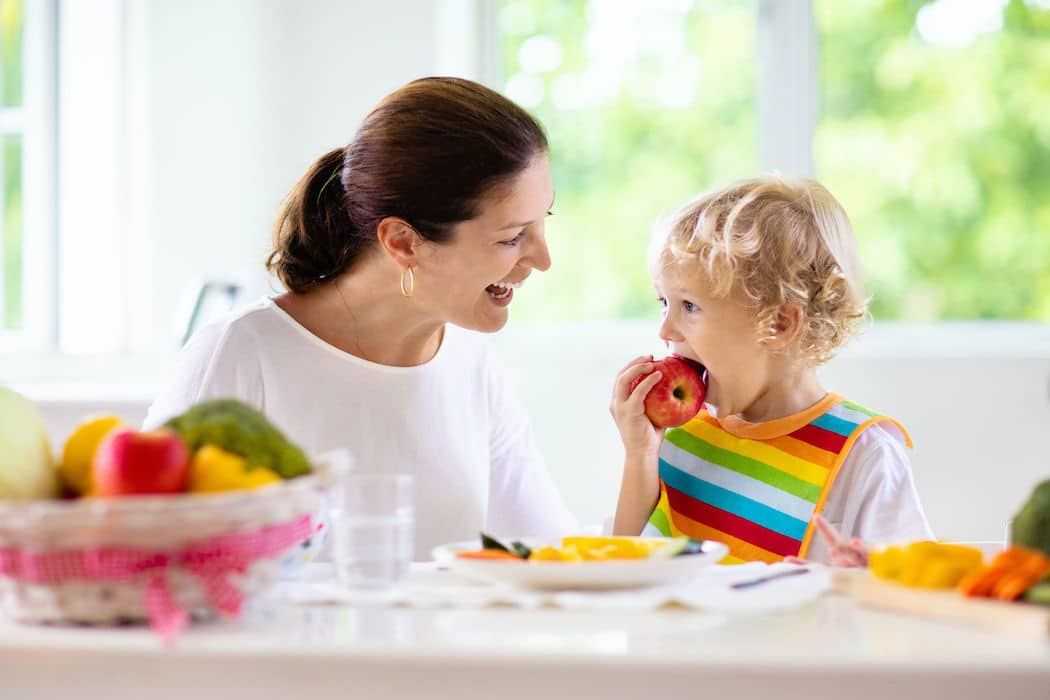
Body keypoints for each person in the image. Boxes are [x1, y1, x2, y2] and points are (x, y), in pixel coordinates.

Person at [144, 77, 577, 558]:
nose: (543, 260)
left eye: (544, 223)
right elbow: (147, 556)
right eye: (512, 237)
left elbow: (549, 557)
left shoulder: (472, 364)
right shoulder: (244, 353)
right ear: (403, 242)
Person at [609, 175, 933, 565]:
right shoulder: (682, 433)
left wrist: (857, 580)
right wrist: (640, 455)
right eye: (664, 303)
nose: (665, 329)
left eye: (689, 307)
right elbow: (627, 569)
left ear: (778, 325)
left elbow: (909, 586)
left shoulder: (863, 455)